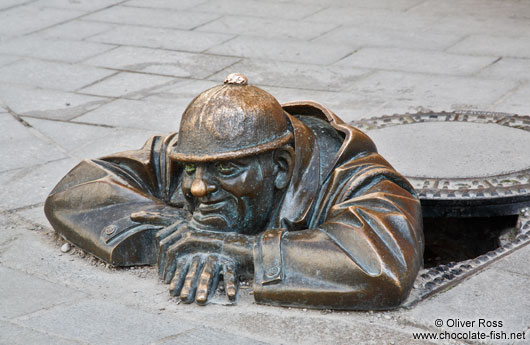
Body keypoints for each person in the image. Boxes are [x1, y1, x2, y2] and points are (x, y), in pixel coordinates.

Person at [45, 74, 423, 310]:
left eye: (226, 170)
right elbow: (76, 190)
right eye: (191, 168)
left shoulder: (357, 178)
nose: (196, 186)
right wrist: (177, 232)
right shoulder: (199, 150)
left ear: (280, 169)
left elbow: (381, 266)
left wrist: (238, 251)